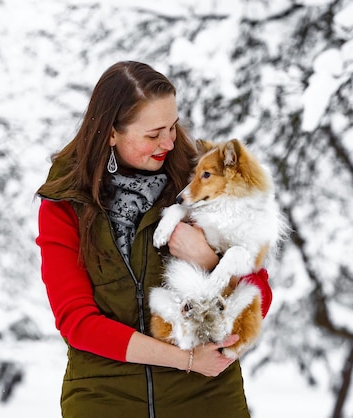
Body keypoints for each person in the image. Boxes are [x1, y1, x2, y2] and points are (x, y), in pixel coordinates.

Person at [35, 61, 272, 418]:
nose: (169, 142)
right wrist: (185, 359)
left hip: (206, 399)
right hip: (104, 397)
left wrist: (209, 260)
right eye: (153, 134)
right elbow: (77, 322)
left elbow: (261, 296)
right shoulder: (66, 204)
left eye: (173, 126)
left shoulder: (198, 184)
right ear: (110, 133)